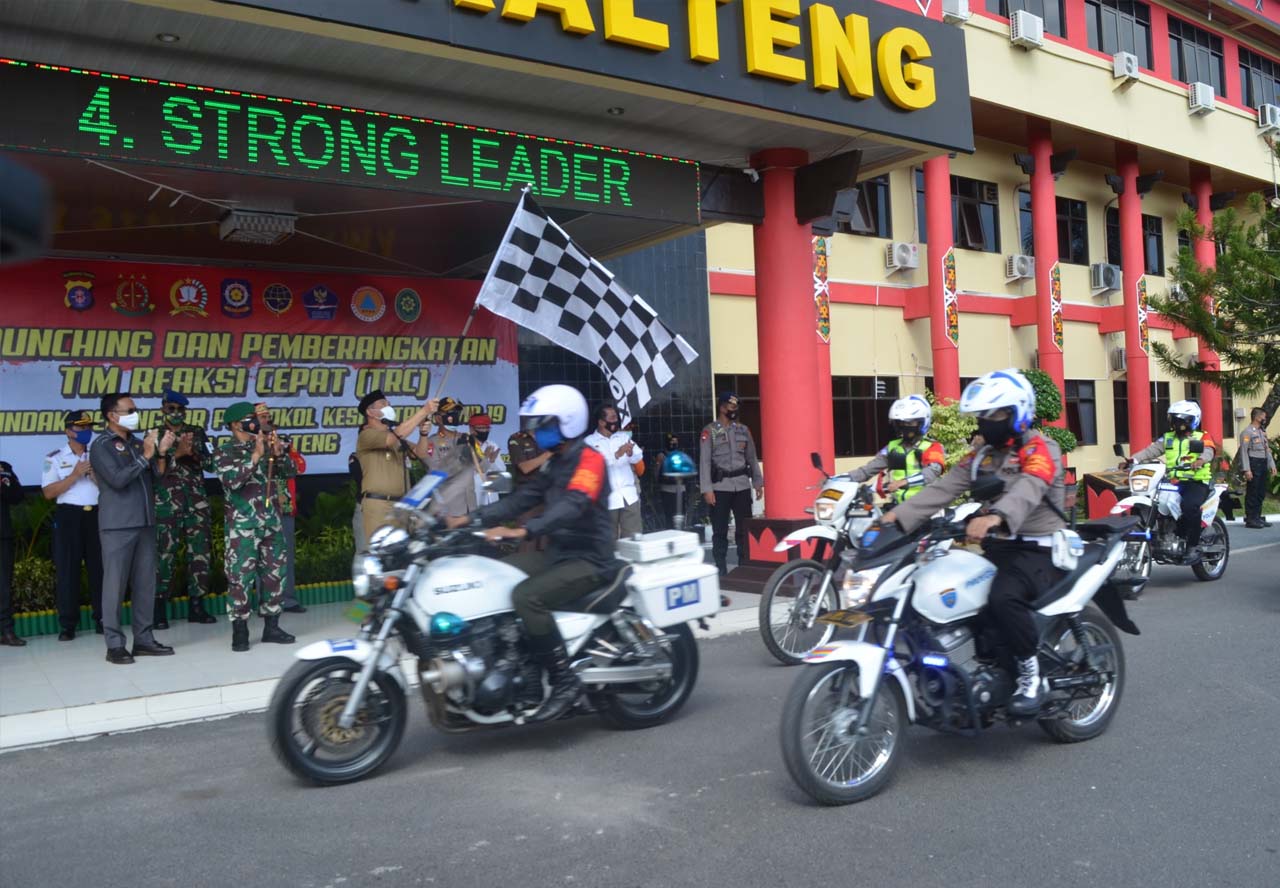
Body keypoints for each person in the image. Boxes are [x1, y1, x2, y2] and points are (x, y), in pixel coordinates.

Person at [882, 369, 1066, 717]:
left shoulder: (1041, 448)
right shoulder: (982, 455)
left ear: (1018, 412)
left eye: (996, 414)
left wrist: (996, 516)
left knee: (1002, 596)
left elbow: (1030, 486)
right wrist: (895, 518)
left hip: (1038, 547)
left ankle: (1031, 676)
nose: (987, 422)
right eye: (983, 416)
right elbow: (944, 487)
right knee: (944, 588)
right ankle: (980, 670)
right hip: (997, 547)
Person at [446, 384, 614, 723]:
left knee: (526, 597)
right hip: (557, 552)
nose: (535, 431)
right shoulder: (555, 463)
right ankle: (523, 673)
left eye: (543, 424)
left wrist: (525, 530)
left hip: (588, 558)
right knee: (496, 579)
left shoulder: (590, 461)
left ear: (566, 422)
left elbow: (573, 505)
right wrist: (469, 519)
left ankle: (564, 681)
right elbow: (521, 498)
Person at [89, 393, 176, 664]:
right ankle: (114, 644)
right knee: (114, 587)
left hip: (146, 522)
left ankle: (144, 640)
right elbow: (117, 480)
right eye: (130, 410)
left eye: (135, 409)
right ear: (112, 415)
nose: (135, 414)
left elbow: (158, 477)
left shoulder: (139, 444)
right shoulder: (101, 445)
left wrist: (160, 453)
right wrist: (146, 456)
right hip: (118, 525)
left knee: (145, 585)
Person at [213, 401, 297, 652]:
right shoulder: (224, 451)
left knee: (274, 574)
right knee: (240, 578)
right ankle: (240, 630)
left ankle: (272, 626)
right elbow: (232, 482)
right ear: (235, 424)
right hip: (243, 526)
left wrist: (280, 454)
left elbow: (289, 472)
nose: (255, 421)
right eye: (249, 418)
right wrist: (256, 456)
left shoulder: (264, 443)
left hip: (271, 521)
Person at [1120, 400, 1216, 564]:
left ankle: (1193, 546)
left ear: (1192, 420)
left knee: (1189, 507)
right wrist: (1132, 459)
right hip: (1173, 481)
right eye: (1174, 420)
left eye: (1181, 420)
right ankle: (1161, 536)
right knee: (1153, 502)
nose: (1177, 424)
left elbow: (1209, 451)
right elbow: (1151, 451)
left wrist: (1200, 460)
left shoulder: (1201, 436)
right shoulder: (1167, 438)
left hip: (1196, 481)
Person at [153, 388, 217, 628]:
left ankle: (197, 606)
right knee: (163, 557)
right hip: (166, 507)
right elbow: (151, 470)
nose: (177, 413)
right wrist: (177, 454)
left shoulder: (198, 433)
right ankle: (158, 609)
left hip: (196, 505)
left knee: (200, 555)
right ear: (163, 409)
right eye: (172, 409)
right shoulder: (154, 435)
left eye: (181, 410)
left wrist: (194, 454)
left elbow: (212, 464)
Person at [41, 410, 103, 641]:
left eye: (89, 427)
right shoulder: (55, 457)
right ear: (68, 431)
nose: (86, 432)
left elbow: (110, 487)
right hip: (69, 517)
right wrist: (75, 475)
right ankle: (68, 624)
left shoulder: (98, 453)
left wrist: (95, 475)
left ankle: (103, 619)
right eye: (80, 428)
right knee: (68, 570)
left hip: (96, 515)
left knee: (100, 569)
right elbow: (48, 493)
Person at [355, 390, 438, 543]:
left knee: (400, 554)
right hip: (379, 505)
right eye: (383, 404)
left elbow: (421, 454)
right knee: (379, 552)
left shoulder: (396, 438)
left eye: (389, 404)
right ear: (370, 412)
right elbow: (391, 439)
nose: (388, 407)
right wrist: (424, 411)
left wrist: (423, 434)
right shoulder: (366, 435)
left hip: (400, 506)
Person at [699, 392, 763, 577]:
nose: (734, 410)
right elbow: (704, 462)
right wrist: (707, 489)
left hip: (742, 486)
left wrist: (758, 482)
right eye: (730, 406)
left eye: (736, 407)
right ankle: (721, 569)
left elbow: (751, 457)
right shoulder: (709, 431)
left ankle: (744, 567)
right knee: (720, 531)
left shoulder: (743, 430)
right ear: (722, 408)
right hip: (720, 487)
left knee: (744, 528)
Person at [255, 402, 307, 613]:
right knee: (261, 556)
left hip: (283, 505)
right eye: (261, 416)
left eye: (268, 416)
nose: (266, 420)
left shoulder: (283, 440)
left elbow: (300, 467)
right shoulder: (250, 442)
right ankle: (264, 601)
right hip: (258, 506)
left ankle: (288, 599)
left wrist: (282, 453)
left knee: (286, 553)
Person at [846, 395, 946, 503]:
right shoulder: (892, 447)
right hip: (898, 506)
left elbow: (932, 472)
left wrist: (903, 482)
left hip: (927, 506)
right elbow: (868, 470)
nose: (904, 426)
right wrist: (841, 478)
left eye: (910, 423)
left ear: (922, 423)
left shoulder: (932, 447)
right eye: (901, 423)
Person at [584, 404, 644, 538]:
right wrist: (617, 454)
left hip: (629, 497)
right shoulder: (589, 442)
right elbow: (596, 465)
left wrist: (630, 453)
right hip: (606, 500)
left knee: (634, 539)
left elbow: (638, 457)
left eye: (616, 417)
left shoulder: (623, 437)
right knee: (608, 542)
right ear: (601, 422)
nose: (615, 421)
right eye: (612, 417)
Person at [416, 397, 471, 518]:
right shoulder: (431, 442)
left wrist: (483, 457)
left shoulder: (466, 438)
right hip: (448, 508)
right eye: (450, 413)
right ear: (438, 418)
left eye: (456, 413)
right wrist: (459, 454)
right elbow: (435, 471)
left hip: (471, 504)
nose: (454, 416)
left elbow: (480, 468)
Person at [1236, 407, 1276, 528]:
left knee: (1260, 492)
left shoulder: (1262, 432)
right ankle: (1251, 518)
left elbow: (1266, 450)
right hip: (1253, 463)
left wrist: (1272, 465)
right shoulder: (1247, 432)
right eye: (1264, 417)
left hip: (1263, 463)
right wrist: (1247, 469)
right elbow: (1243, 452)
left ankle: (1257, 517)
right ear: (1257, 417)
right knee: (1253, 492)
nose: (1265, 419)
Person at [1, 460, 25, 647]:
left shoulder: (4, 468)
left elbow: (17, 496)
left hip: (2, 536)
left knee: (3, 586)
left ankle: (7, 631)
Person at [467, 413, 505, 507]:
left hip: (491, 495)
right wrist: (485, 458)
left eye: (487, 428)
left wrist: (492, 462)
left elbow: (502, 470)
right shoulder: (465, 446)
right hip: (473, 494)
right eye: (481, 428)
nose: (484, 431)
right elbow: (467, 472)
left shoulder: (492, 445)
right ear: (471, 429)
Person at [348, 452, 365, 552]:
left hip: (393, 507)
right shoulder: (356, 456)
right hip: (364, 506)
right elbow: (360, 478)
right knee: (364, 553)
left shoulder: (396, 453)